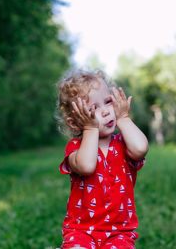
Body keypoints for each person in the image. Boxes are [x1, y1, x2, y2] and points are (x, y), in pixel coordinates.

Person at [56, 70, 149, 249]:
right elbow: (86, 166)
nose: (106, 111)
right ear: (75, 123)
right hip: (80, 231)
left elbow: (140, 150)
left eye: (107, 102)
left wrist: (123, 118)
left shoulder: (124, 144)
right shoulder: (75, 148)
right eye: (93, 109)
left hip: (119, 233)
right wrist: (91, 129)